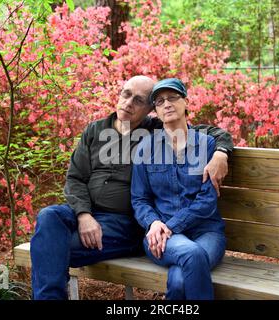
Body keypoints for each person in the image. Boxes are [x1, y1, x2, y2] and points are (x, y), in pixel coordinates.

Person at [30, 75, 233, 300]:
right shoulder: (96, 130)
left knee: (49, 248)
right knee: (49, 217)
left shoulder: (156, 130)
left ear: (149, 110)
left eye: (138, 100)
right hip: (93, 215)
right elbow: (75, 178)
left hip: (124, 224)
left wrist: (221, 152)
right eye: (126, 94)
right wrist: (83, 214)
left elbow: (207, 132)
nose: (128, 103)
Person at [131, 78, 226, 300]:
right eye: (160, 101)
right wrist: (154, 223)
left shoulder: (206, 145)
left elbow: (207, 200)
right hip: (159, 234)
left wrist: (170, 227)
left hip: (206, 232)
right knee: (190, 254)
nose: (167, 104)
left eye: (173, 97)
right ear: (155, 110)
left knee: (179, 281)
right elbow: (139, 198)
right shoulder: (145, 147)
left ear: (186, 102)